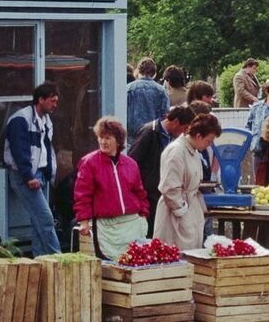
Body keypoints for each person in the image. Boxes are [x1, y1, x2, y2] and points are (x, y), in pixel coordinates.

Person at [74, 117, 150, 260]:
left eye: (107, 138)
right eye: (100, 137)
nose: (103, 142)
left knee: (133, 262)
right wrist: (83, 221)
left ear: (119, 140)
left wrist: (143, 213)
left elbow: (140, 192)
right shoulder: (89, 163)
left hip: (130, 224)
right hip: (105, 226)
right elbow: (83, 194)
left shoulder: (131, 164)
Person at [4, 82, 61, 256]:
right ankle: (58, 259)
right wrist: (28, 176)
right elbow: (20, 151)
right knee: (45, 219)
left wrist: (49, 172)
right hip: (26, 176)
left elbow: (46, 149)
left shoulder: (45, 120)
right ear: (40, 100)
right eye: (52, 101)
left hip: (40, 174)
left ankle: (41, 260)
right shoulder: (21, 119)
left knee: (38, 223)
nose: (55, 105)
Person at [154, 113, 221, 251]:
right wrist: (182, 212)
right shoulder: (176, 151)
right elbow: (170, 188)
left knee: (190, 255)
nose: (210, 145)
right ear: (198, 136)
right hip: (174, 215)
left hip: (190, 209)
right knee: (175, 256)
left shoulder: (194, 151)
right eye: (208, 141)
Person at [127, 106, 194, 237]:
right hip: (148, 195)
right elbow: (132, 162)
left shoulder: (174, 139)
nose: (185, 132)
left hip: (161, 195)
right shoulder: (148, 133)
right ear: (175, 122)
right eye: (184, 127)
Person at [126, 57, 170, 134]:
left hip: (132, 136)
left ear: (138, 71)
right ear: (154, 73)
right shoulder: (161, 91)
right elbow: (165, 116)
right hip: (153, 135)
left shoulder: (129, 88)